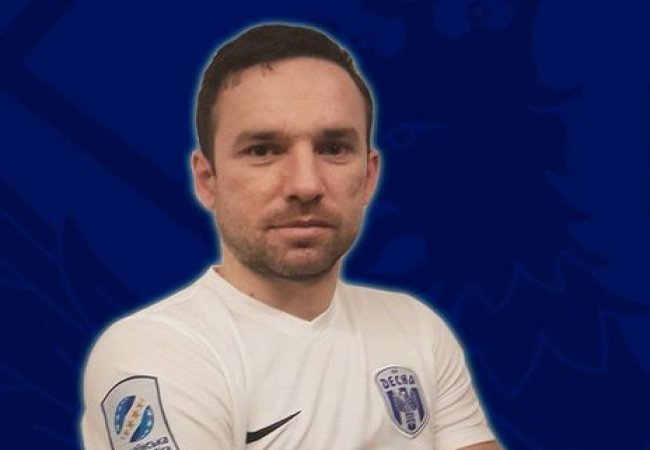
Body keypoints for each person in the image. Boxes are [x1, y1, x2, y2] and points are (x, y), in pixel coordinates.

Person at [81, 24, 499, 450]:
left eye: (333, 148)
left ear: (369, 176)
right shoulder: (155, 351)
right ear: (208, 180)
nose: (305, 184)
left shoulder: (415, 328)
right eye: (263, 150)